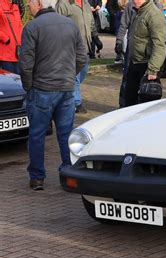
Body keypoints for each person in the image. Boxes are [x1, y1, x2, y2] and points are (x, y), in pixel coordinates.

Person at [19, 0, 87, 190]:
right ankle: (68, 174)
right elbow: (82, 57)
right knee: (66, 134)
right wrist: (69, 75)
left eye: (31, 3)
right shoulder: (70, 25)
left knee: (37, 134)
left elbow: (25, 64)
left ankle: (37, 177)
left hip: (42, 90)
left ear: (39, 4)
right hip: (66, 89)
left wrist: (29, 87)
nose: (28, 6)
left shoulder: (32, 27)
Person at [56, 0, 102, 113]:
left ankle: (65, 95)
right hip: (70, 47)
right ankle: (76, 102)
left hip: (85, 48)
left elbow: (91, 24)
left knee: (82, 72)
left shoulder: (86, 4)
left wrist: (96, 38)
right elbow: (56, 24)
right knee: (74, 76)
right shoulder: (63, 4)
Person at [115, 0, 163, 107]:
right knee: (129, 93)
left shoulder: (154, 13)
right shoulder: (136, 10)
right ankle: (124, 108)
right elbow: (124, 25)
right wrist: (119, 41)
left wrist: (153, 69)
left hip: (147, 62)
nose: (132, 1)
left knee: (147, 95)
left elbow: (160, 44)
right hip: (133, 59)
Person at [0, 0, 22, 74]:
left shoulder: (15, 6)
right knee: (9, 83)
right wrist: (4, 38)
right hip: (5, 54)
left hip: (18, 53)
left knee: (18, 82)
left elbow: (19, 27)